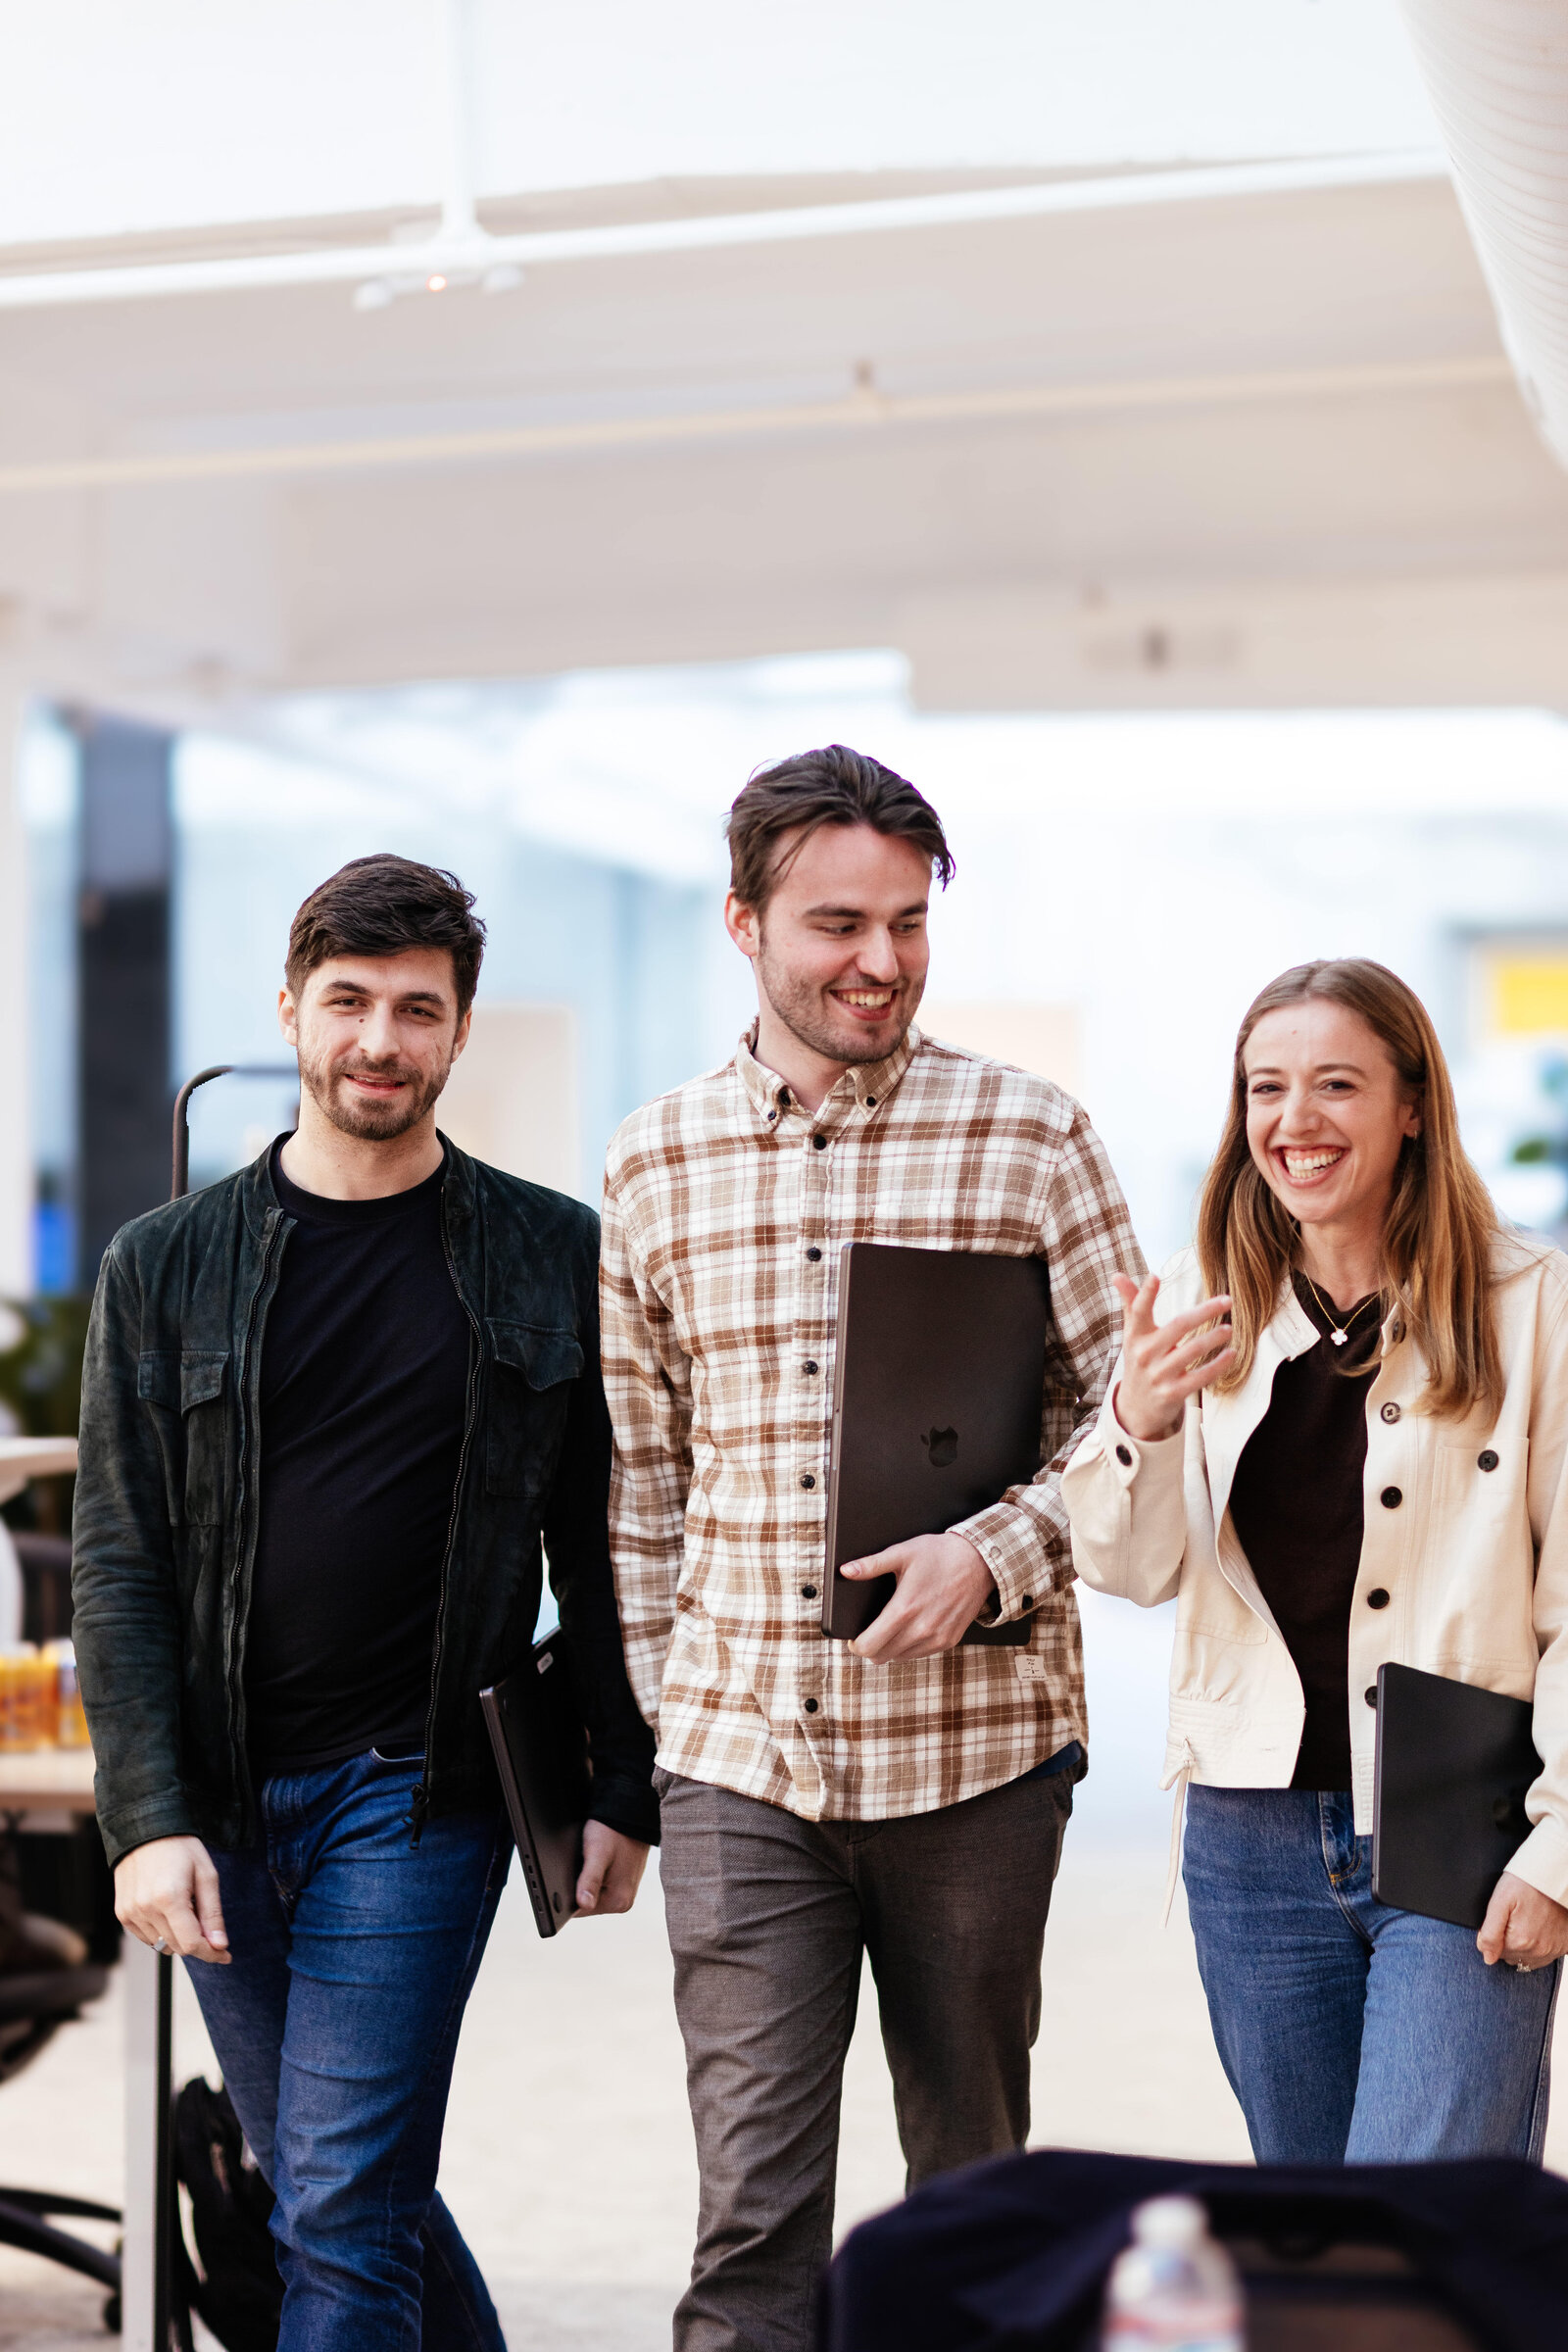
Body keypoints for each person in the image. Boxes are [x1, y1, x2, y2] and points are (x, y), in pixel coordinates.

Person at [73, 855, 659, 2352]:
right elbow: (120, 1558)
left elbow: (599, 1543)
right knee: (340, 2190)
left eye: (417, 1008)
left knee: (334, 2206)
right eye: (349, 1002)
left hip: (416, 1797)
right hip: (218, 1800)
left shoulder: (549, 1254)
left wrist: (623, 1788)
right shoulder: (164, 1267)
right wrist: (144, 1817)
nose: (379, 1040)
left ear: (459, 1033)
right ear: (290, 1010)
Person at [601, 745, 1143, 2352]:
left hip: (975, 1764)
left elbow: (1143, 1435)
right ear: (744, 923)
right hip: (738, 1764)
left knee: (971, 2199)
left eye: (911, 922)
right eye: (840, 923)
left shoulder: (1034, 1137)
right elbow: (641, 1489)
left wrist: (1003, 1549)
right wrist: (656, 1745)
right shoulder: (652, 1163)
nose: (883, 961)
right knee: (752, 2215)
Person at [1063, 956, 1568, 2166]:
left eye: (1335, 1085)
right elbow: (1129, 1569)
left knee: (1423, 2225)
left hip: (1465, 1823)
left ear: (1410, 1105)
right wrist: (1135, 1421)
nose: (1295, 1124)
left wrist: (1559, 1844)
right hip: (1249, 1839)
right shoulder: (1195, 1307)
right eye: (1265, 1089)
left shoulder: (1532, 1306)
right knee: (1312, 2234)